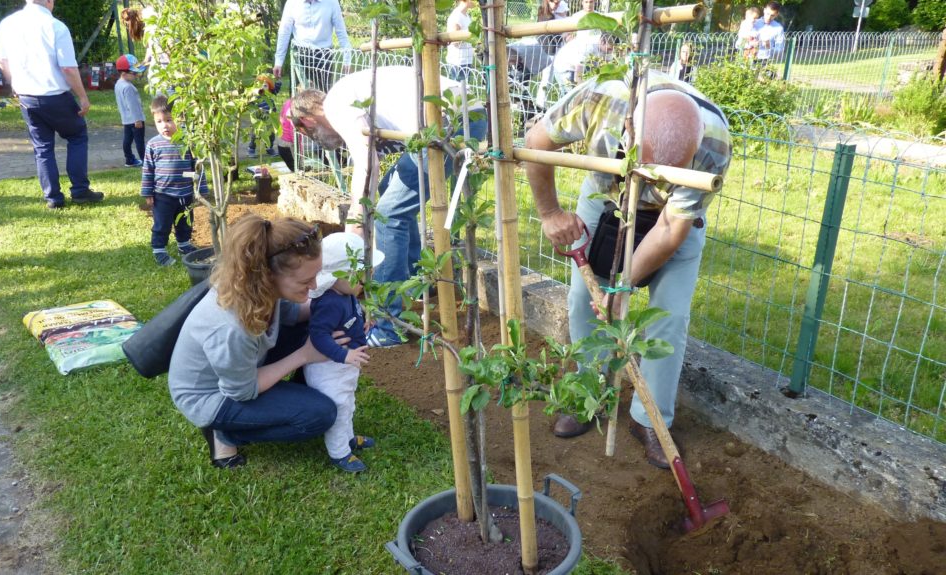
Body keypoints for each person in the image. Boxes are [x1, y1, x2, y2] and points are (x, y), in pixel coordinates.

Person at [524, 72, 731, 466]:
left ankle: (649, 418)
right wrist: (550, 213)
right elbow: (537, 143)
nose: (653, 184)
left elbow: (670, 229)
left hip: (674, 221)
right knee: (585, 299)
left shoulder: (713, 144)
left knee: (668, 317)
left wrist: (623, 288)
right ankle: (590, 396)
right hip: (606, 199)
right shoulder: (601, 100)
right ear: (627, 132)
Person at [289, 66, 488, 347]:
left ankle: (387, 326)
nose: (318, 141)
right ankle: (420, 277)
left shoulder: (336, 106)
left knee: (388, 216)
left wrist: (357, 223)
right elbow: (373, 170)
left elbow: (367, 162)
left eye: (310, 135)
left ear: (308, 122)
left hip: (447, 121)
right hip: (460, 111)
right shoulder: (347, 96)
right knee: (387, 195)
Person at [169, 216, 340, 469]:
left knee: (314, 328)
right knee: (320, 414)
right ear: (269, 275)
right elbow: (241, 390)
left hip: (240, 371)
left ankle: (290, 399)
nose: (314, 286)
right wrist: (304, 355)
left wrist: (341, 310)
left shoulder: (259, 288)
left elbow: (296, 315)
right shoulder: (231, 327)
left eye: (316, 276)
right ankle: (226, 433)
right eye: (306, 282)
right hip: (213, 395)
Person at [0, 0, 103, 210]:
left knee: (43, 148)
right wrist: (83, 96)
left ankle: (53, 197)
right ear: (49, 1)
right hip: (56, 95)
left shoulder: (8, 24)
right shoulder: (56, 27)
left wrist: (14, 82)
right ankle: (80, 190)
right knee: (77, 136)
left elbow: (2, 60)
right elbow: (68, 69)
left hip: (27, 96)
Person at [304, 233, 383, 472]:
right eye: (357, 274)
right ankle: (339, 453)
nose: (363, 279)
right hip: (329, 369)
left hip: (343, 368)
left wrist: (364, 325)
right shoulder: (328, 303)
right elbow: (318, 336)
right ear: (336, 275)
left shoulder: (345, 295)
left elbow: (348, 322)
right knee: (338, 406)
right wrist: (344, 355)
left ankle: (348, 438)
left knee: (348, 403)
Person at [141, 95, 208, 266]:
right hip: (163, 194)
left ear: (179, 118)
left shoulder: (188, 142)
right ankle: (159, 250)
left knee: (185, 221)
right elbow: (148, 169)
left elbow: (198, 166)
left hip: (185, 193)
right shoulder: (153, 145)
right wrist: (147, 192)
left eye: (169, 120)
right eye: (159, 121)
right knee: (162, 224)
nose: (165, 125)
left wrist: (202, 188)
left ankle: (184, 244)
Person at [273, 0, 352, 93]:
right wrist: (278, 61)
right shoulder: (292, 3)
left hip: (323, 58)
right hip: (299, 57)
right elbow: (284, 32)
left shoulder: (331, 2)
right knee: (298, 100)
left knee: (321, 98)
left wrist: (347, 60)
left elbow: (341, 31)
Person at [114, 54, 146, 168]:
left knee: (127, 140)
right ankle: (145, 161)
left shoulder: (118, 84)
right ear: (124, 73)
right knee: (139, 141)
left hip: (126, 119)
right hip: (135, 119)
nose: (136, 75)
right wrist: (138, 120)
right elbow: (133, 105)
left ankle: (129, 159)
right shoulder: (128, 87)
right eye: (134, 73)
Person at [446, 0, 475, 81]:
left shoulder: (466, 16)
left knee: (465, 90)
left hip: (466, 60)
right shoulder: (457, 16)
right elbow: (454, 41)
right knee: (459, 91)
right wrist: (470, 38)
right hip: (458, 62)